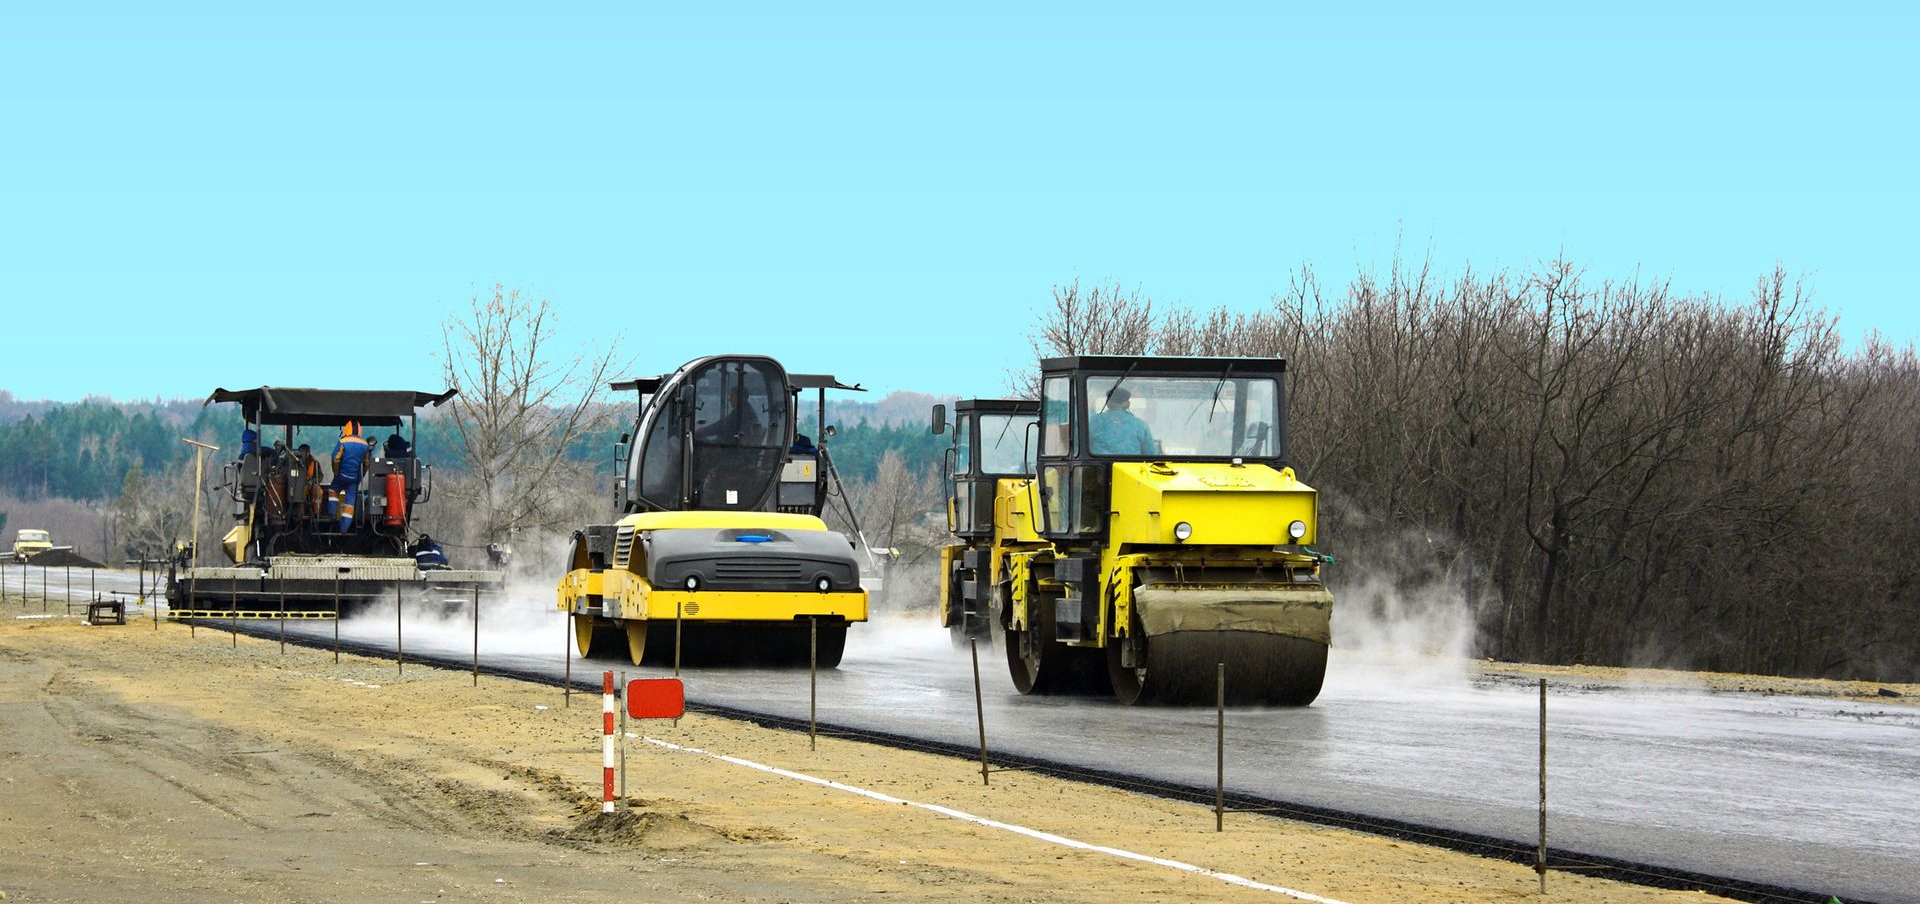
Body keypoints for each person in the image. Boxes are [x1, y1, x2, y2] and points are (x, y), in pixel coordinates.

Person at [329, 420, 372, 531]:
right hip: (354, 479)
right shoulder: (365, 445)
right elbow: (366, 463)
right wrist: (359, 477)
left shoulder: (343, 441)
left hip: (341, 475)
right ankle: (344, 528)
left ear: (346, 429)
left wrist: (336, 472)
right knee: (350, 503)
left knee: (333, 491)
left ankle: (332, 514)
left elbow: (335, 458)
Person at [1088, 387, 1156, 455]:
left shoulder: (1093, 422)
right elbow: (1151, 454)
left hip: (1099, 465)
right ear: (1128, 404)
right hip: (1130, 465)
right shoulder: (1140, 425)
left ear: (1107, 403)